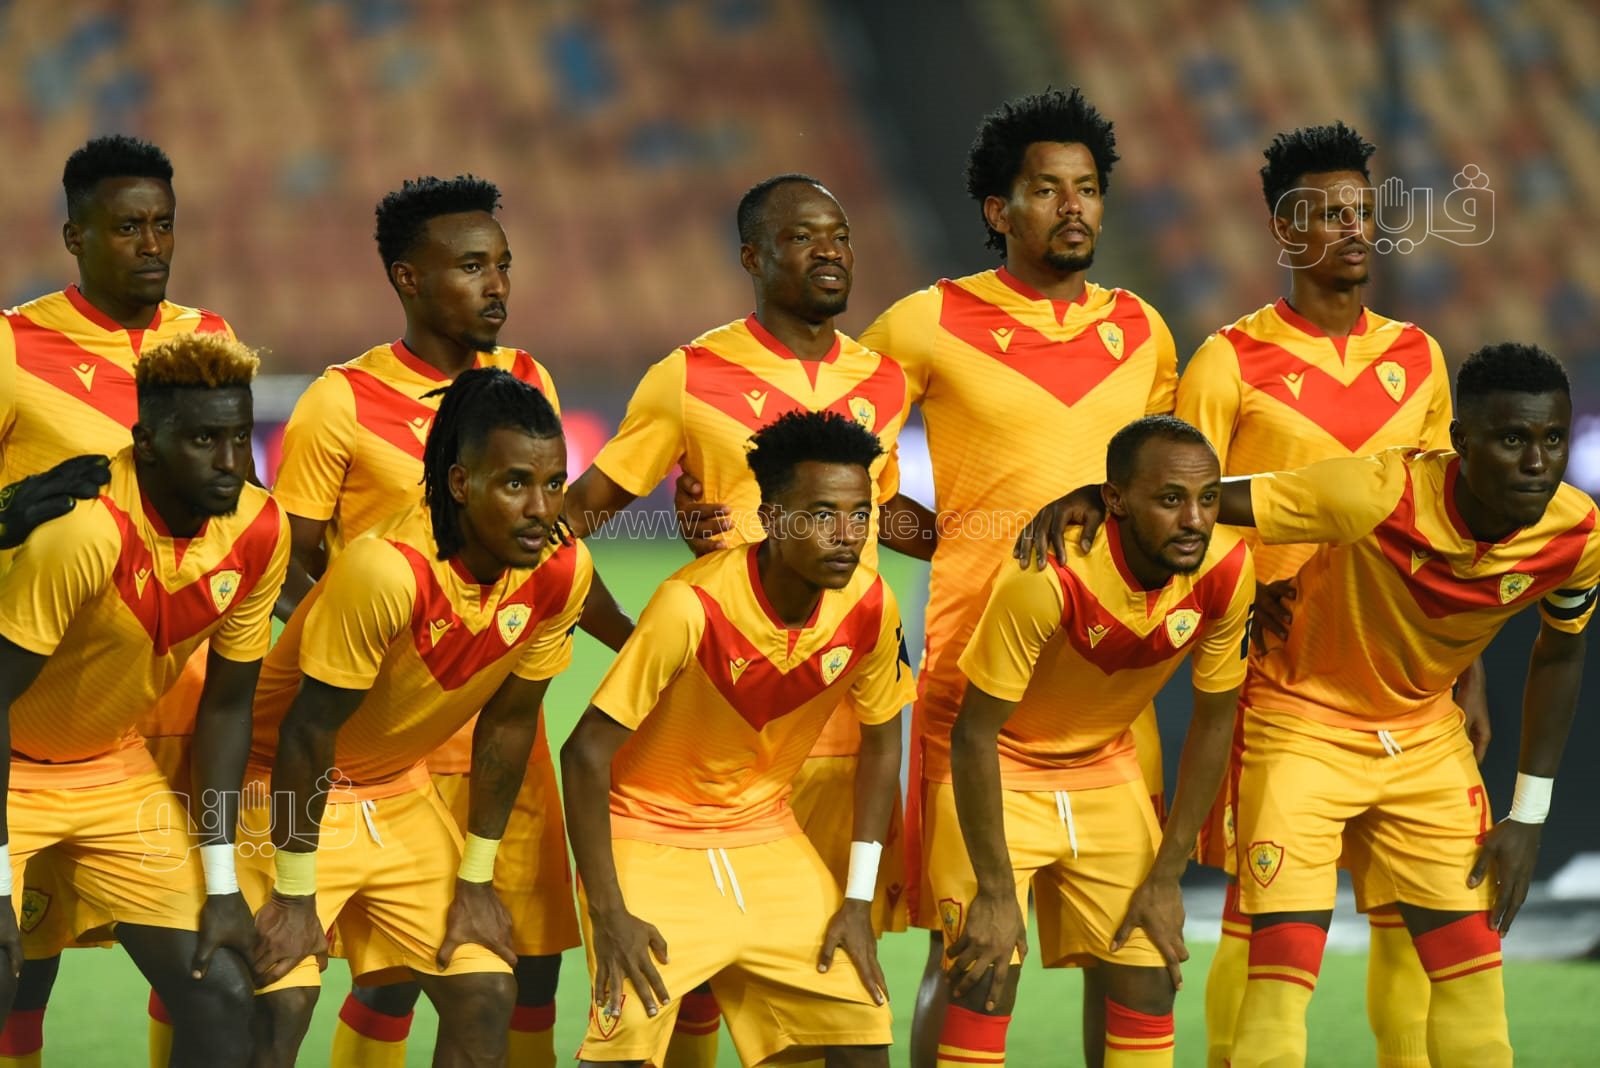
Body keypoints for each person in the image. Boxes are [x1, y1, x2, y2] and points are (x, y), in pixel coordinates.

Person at [1074, 342, 1591, 1067]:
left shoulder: (1575, 534)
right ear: (1462, 442)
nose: (1537, 463)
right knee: (1280, 974)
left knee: (1475, 985)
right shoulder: (1377, 493)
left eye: (1553, 440)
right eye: (1512, 440)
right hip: (1301, 726)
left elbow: (1560, 653)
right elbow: (1202, 504)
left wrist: (1528, 816)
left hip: (1424, 737)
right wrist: (1095, 501)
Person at [843, 87, 1179, 1065]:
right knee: (974, 957)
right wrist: (953, 541)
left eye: (1087, 188)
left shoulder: (1143, 333)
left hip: (1113, 691)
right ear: (999, 209)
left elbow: (1178, 488)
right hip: (974, 690)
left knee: (1132, 955)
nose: (1073, 206)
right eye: (1046, 189)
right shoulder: (926, 322)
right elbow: (842, 467)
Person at [563, 173, 920, 1063]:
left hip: (840, 710)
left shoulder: (882, 380)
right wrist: (625, 631)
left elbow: (886, 514)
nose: (829, 250)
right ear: (753, 258)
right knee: (693, 981)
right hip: (721, 704)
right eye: (802, 236)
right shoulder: (689, 377)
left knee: (822, 987)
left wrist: (1003, 534)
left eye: (840, 234)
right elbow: (580, 516)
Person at [269, 174, 620, 1068]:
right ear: (408, 278)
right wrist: (379, 657)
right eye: (471, 267)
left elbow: (547, 551)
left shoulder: (525, 381)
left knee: (521, 965)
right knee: (383, 978)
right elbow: (288, 564)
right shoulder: (341, 401)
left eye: (502, 264)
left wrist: (633, 639)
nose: (497, 285)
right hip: (379, 735)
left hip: (498, 722)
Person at [1173, 121, 1485, 1068]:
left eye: (1362, 211)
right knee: (1263, 920)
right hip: (1284, 687)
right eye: (1327, 214)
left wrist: (1466, 676)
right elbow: (1179, 512)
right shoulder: (1229, 361)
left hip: (1405, 688)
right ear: (1283, 229)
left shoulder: (1420, 358)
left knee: (1412, 923)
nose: (1353, 228)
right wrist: (1240, 596)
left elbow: (1448, 529)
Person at [245, 368, 591, 1067]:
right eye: (515, 484)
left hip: (399, 791)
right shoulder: (386, 570)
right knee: (282, 997)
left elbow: (509, 724)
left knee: (486, 990)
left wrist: (477, 880)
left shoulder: (561, 571)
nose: (540, 508)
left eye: (554, 484)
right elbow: (307, 733)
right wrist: (294, 895)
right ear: (460, 483)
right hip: (277, 787)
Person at [0, 134, 238, 1066]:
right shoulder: (13, 347)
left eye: (163, 225)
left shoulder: (207, 338)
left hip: (146, 704)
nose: (152, 245)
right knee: (26, 967)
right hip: (26, 694)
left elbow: (232, 502)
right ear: (75, 237)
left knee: (205, 973)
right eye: (128, 227)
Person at [0, 333, 289, 1067]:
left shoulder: (260, 530)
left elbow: (227, 707)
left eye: (238, 437)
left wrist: (222, 883)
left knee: (224, 989)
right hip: (11, 769)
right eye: (203, 441)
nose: (230, 462)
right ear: (147, 443)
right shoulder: (84, 532)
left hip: (112, 770)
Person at [934, 415, 1252, 1067]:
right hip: (1001, 769)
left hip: (1105, 767)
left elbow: (1216, 721)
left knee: (1151, 975)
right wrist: (996, 891)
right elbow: (973, 734)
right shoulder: (1046, 576)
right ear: (1116, 500)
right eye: (1171, 500)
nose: (1195, 520)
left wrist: (1168, 876)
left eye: (1208, 498)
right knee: (983, 974)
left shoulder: (1227, 568)